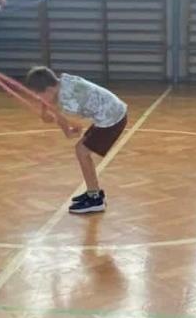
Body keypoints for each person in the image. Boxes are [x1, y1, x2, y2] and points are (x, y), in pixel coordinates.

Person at [23, 66, 128, 214]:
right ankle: (94, 193)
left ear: (49, 90)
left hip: (112, 118)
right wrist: (45, 112)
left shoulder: (69, 101)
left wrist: (66, 130)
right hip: (113, 109)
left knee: (82, 151)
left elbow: (75, 126)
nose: (37, 98)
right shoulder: (64, 80)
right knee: (82, 150)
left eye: (38, 95)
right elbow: (49, 102)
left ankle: (95, 200)